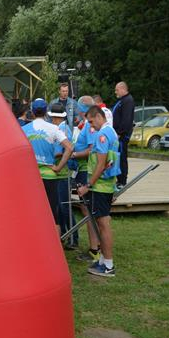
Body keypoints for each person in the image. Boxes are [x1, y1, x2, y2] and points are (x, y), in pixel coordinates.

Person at [77, 105, 120, 277]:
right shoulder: (111, 132)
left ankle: (108, 265)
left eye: (91, 121)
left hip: (100, 187)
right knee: (102, 223)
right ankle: (102, 260)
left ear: (98, 116)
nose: (90, 125)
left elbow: (101, 164)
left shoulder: (102, 135)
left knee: (103, 224)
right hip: (106, 185)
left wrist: (87, 185)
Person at [22, 99, 73, 231]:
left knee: (32, 212)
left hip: (30, 175)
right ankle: (56, 244)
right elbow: (69, 148)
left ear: (32, 112)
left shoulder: (23, 130)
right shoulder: (54, 128)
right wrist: (59, 167)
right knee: (53, 215)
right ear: (46, 113)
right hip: (49, 175)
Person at [69, 96, 100, 262]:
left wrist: (73, 154)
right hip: (82, 170)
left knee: (88, 210)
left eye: (79, 110)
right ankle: (95, 247)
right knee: (86, 209)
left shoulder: (90, 126)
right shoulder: (88, 124)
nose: (78, 113)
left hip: (85, 170)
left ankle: (95, 249)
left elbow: (91, 149)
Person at [49, 103, 74, 248]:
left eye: (53, 117)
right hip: (60, 173)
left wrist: (49, 156)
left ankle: (72, 238)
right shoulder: (62, 127)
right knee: (60, 206)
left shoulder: (62, 129)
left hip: (62, 173)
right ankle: (65, 235)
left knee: (64, 207)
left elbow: (64, 150)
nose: (52, 120)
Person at [111, 82, 135, 188]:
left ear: (123, 89)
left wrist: (120, 133)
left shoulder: (128, 101)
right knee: (118, 157)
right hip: (118, 135)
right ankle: (119, 179)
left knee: (121, 157)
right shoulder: (122, 100)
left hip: (122, 136)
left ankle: (122, 181)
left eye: (117, 90)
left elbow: (126, 119)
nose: (115, 92)